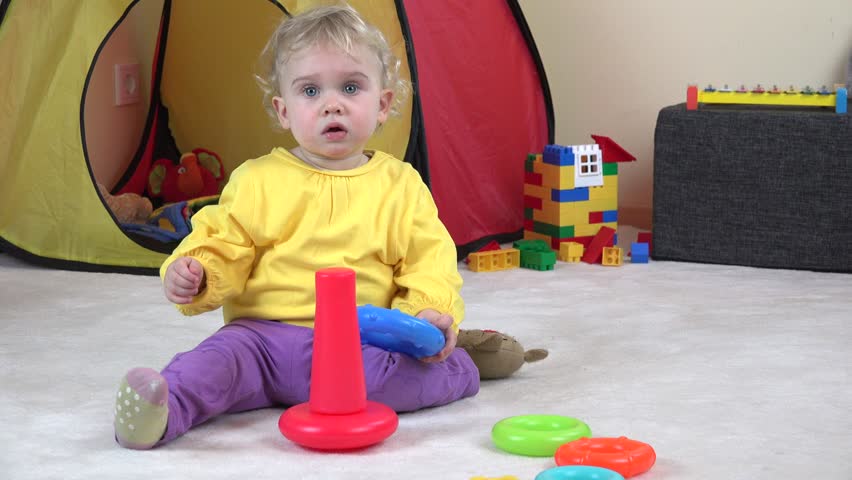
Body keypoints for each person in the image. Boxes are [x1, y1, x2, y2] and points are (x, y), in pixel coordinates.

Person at [113, 4, 480, 450]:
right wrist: (197, 270)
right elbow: (223, 238)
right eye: (310, 91)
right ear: (283, 110)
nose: (331, 104)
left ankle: (461, 364)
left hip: (355, 348)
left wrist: (425, 312)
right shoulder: (258, 179)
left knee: (403, 380)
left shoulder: (400, 186)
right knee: (211, 366)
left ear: (383, 104)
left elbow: (429, 261)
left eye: (350, 87)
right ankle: (162, 411)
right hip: (259, 340)